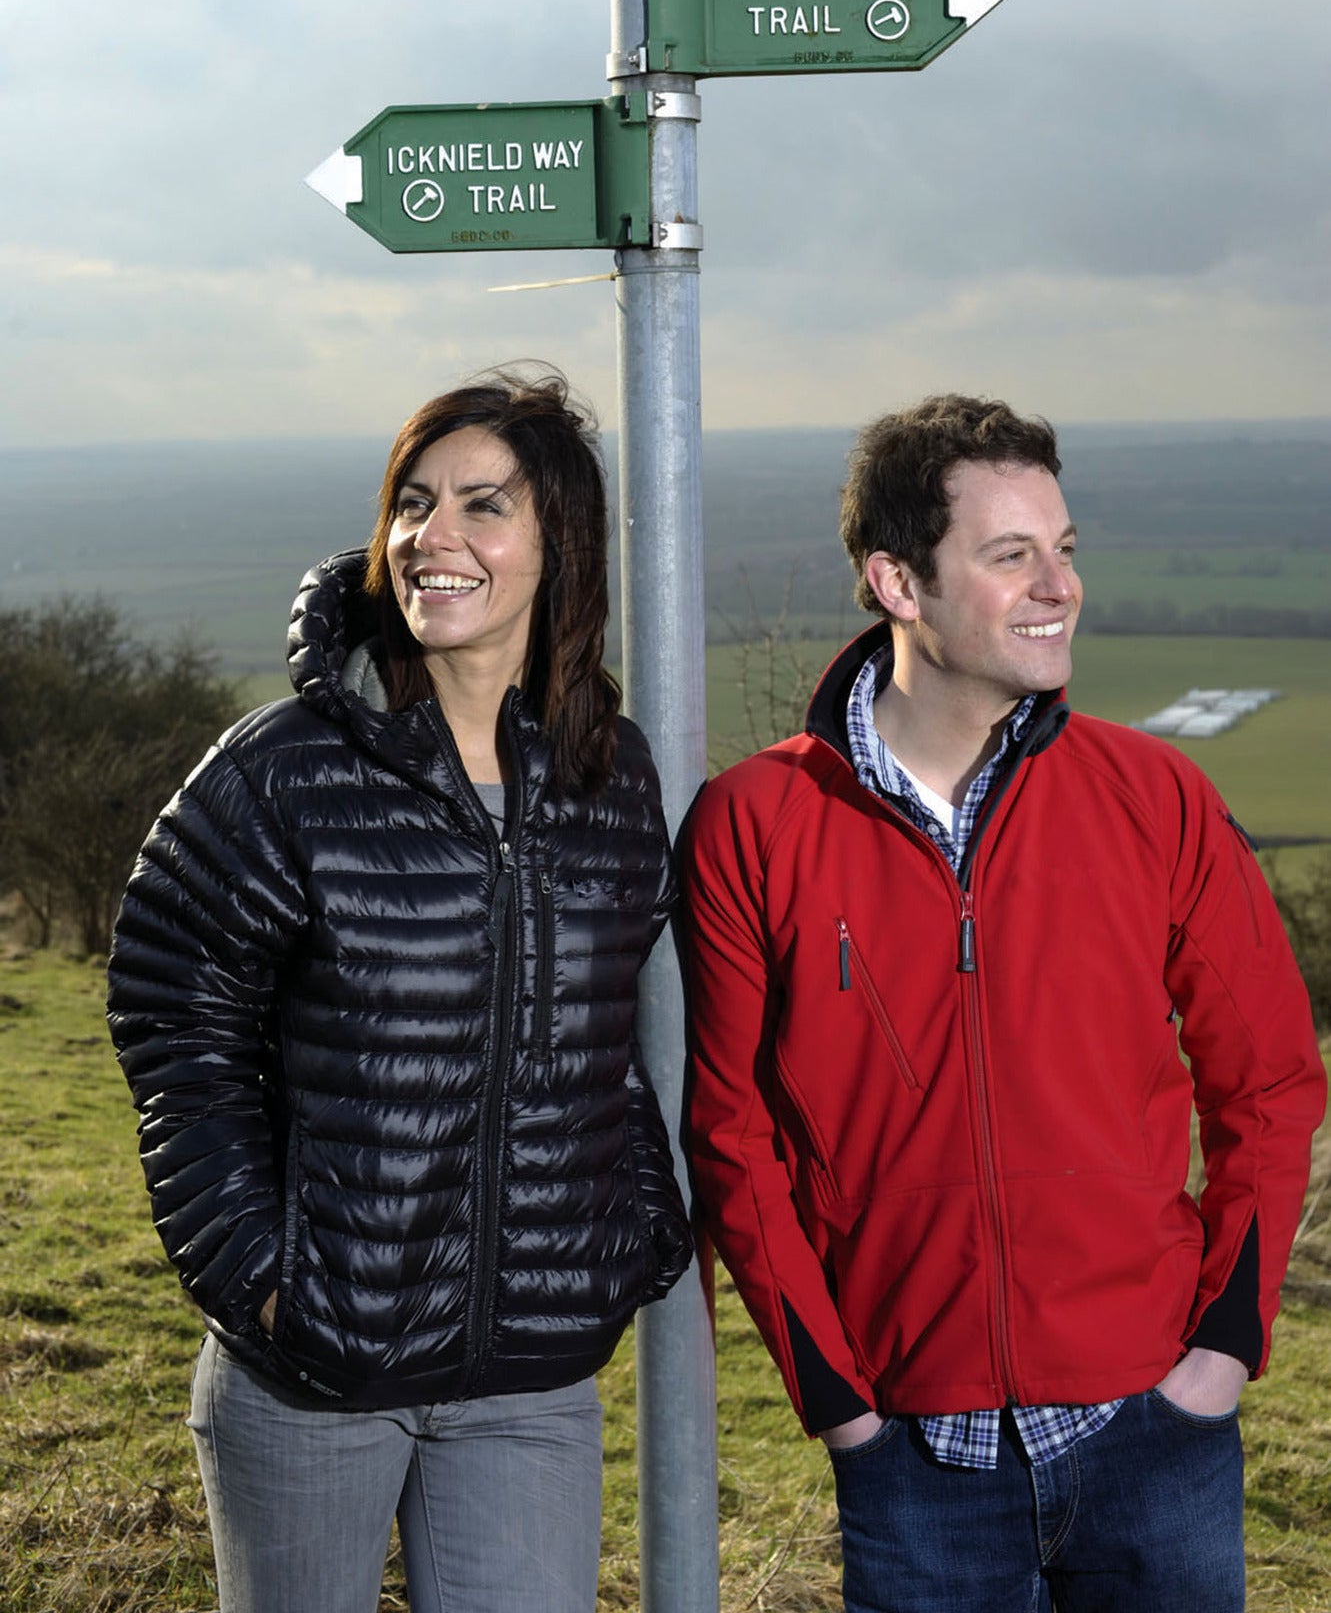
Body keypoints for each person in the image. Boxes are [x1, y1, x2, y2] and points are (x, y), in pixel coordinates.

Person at [684, 392, 1325, 1613]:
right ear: (897, 582)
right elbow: (732, 1133)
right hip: (913, 1455)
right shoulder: (755, 825)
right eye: (1009, 553)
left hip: (1154, 1429)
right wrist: (838, 1399)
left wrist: (1222, 1348)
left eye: (1063, 547)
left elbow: (1271, 1079)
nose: (1057, 584)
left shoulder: (1154, 795)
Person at [108, 368, 691, 1613]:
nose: (435, 538)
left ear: (560, 546)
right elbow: (173, 1015)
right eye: (414, 504)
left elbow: (613, 1038)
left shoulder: (610, 778)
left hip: (528, 1378)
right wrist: (262, 1273)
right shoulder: (288, 770)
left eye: (484, 506)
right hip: (313, 1367)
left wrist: (622, 1230)